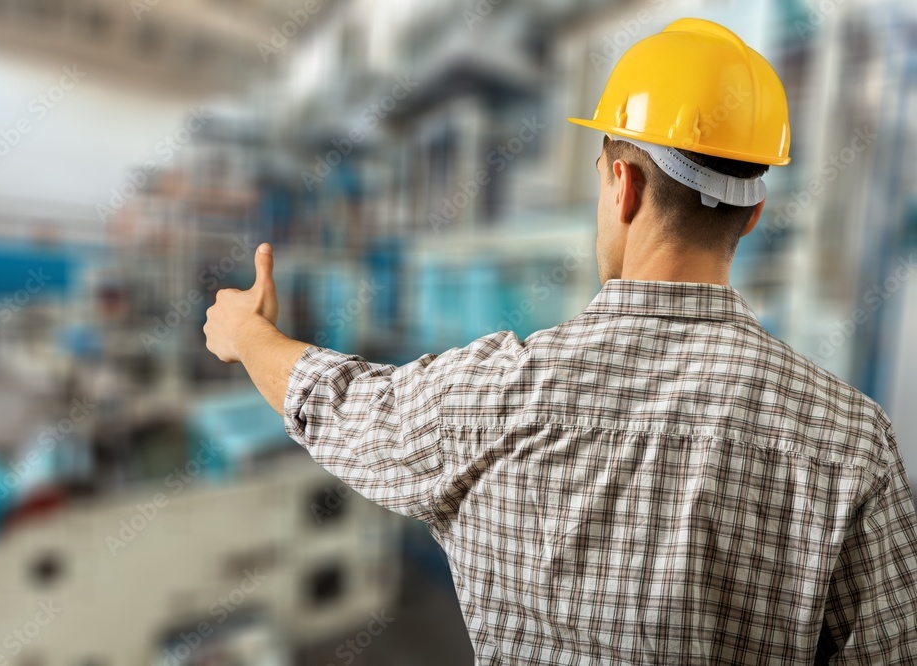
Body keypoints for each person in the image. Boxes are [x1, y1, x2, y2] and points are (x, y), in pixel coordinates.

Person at [203, 18, 917, 665]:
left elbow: (337, 403)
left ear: (622, 186)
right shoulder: (851, 443)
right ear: (753, 214)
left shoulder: (491, 394)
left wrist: (248, 332)